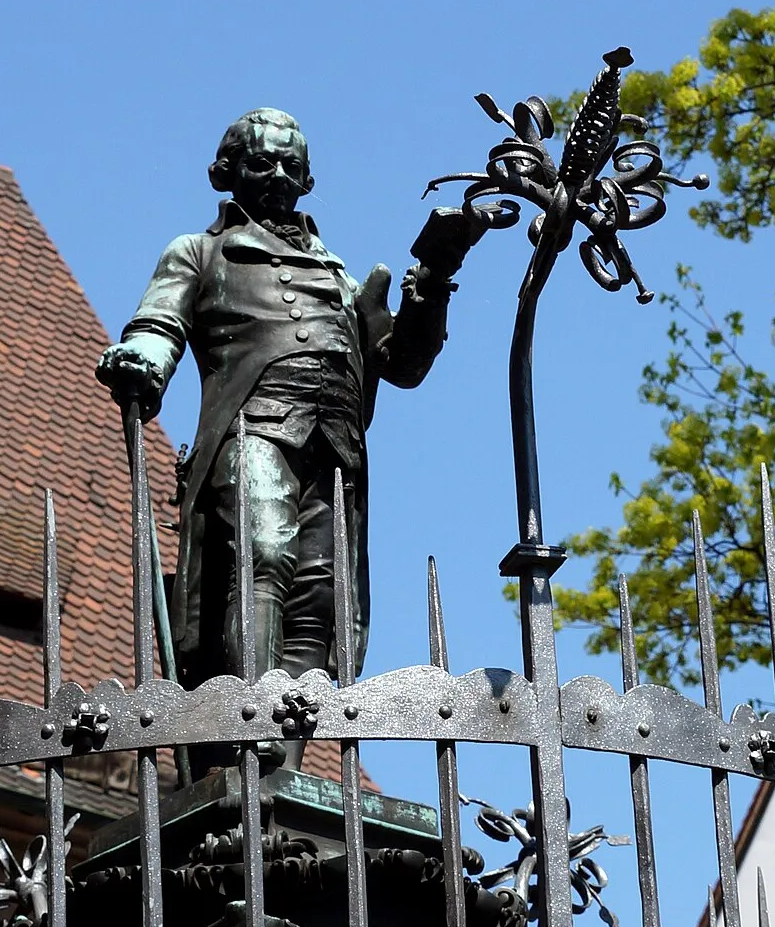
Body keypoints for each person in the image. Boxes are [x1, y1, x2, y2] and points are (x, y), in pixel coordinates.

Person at [96, 105, 491, 683]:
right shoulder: (201, 252)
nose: (279, 176)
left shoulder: (340, 278)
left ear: (307, 180)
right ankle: (247, 729)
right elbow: (159, 322)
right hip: (255, 429)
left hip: (335, 445)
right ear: (226, 172)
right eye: (262, 164)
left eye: (291, 165)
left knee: (320, 597)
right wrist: (146, 360)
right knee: (264, 555)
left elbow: (402, 365)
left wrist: (435, 275)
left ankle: (285, 758)